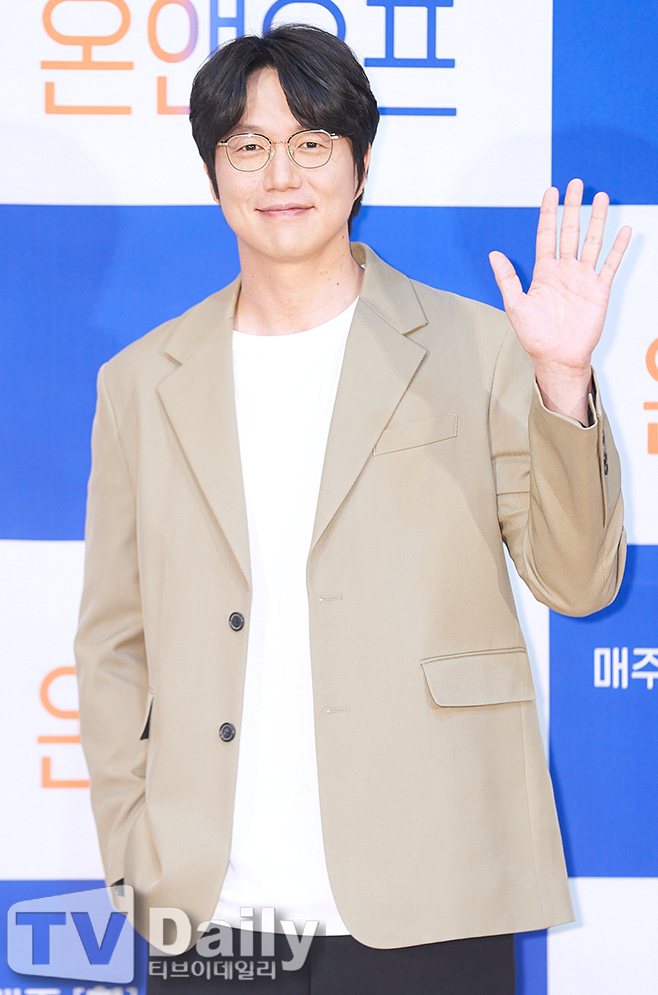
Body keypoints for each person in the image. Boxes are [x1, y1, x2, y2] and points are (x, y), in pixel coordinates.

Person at [75, 24, 630, 995]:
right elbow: (113, 641)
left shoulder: (477, 347)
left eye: (311, 141)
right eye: (249, 145)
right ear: (213, 172)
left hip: (435, 884)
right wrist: (136, 849)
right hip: (210, 907)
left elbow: (579, 581)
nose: (280, 173)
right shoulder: (139, 383)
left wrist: (562, 381)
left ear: (361, 161)